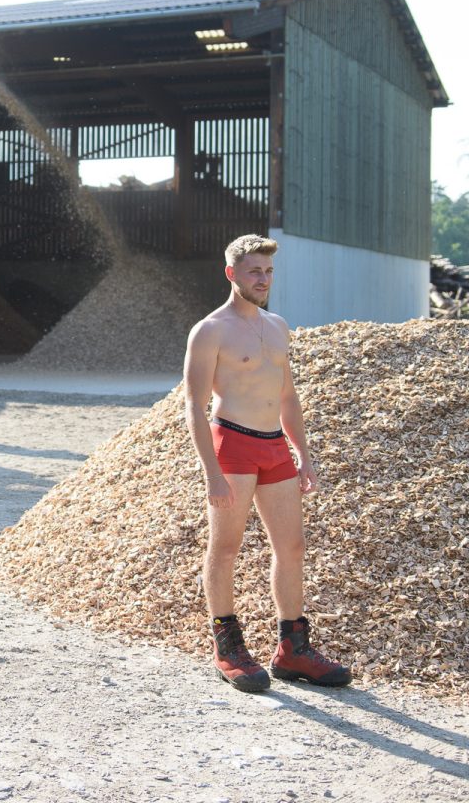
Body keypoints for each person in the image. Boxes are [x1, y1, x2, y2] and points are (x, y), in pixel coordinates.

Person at [182, 233, 351, 693]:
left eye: (269, 271)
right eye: (254, 271)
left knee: (292, 547)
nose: (263, 279)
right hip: (232, 445)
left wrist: (303, 455)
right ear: (231, 273)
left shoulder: (278, 326)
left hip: (274, 446)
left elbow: (287, 396)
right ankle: (227, 648)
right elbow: (194, 405)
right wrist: (211, 472)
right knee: (226, 548)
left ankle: (292, 650)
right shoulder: (210, 330)